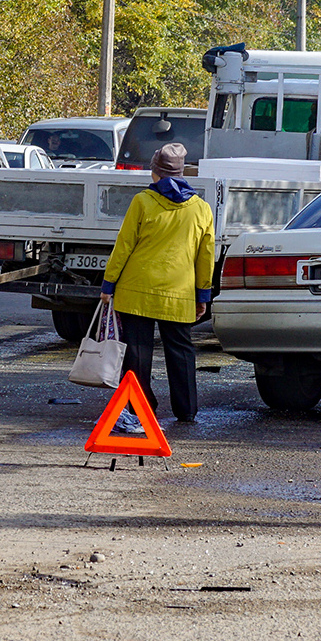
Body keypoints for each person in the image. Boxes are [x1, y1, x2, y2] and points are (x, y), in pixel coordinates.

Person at [100, 142, 215, 429]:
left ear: (155, 173)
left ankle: (140, 409)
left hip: (136, 291)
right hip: (178, 294)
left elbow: (124, 246)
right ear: (182, 172)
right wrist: (203, 295)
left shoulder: (142, 202)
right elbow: (206, 257)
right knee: (181, 351)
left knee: (137, 353)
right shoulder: (201, 209)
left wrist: (108, 284)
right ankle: (186, 410)